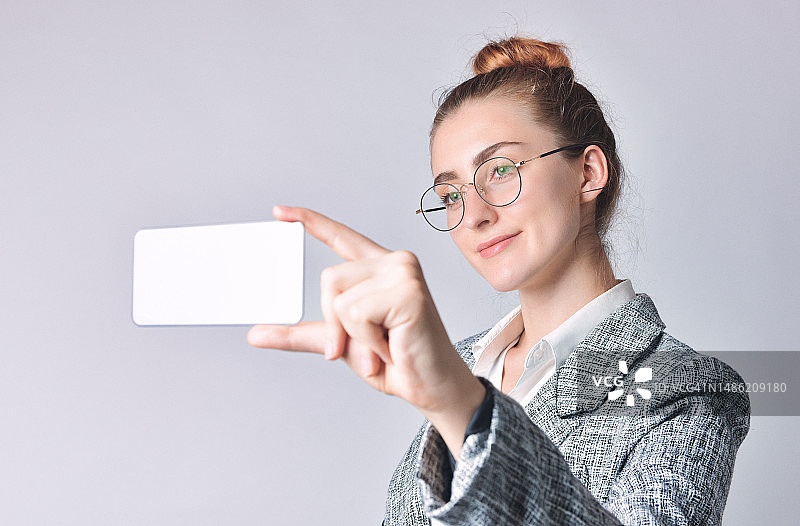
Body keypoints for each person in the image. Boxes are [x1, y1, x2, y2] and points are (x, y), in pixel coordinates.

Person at [247, 36, 750, 525]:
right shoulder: (461, 361)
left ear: (588, 173)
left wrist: (461, 407)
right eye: (450, 195)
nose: (472, 215)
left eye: (501, 170)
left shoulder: (685, 390)